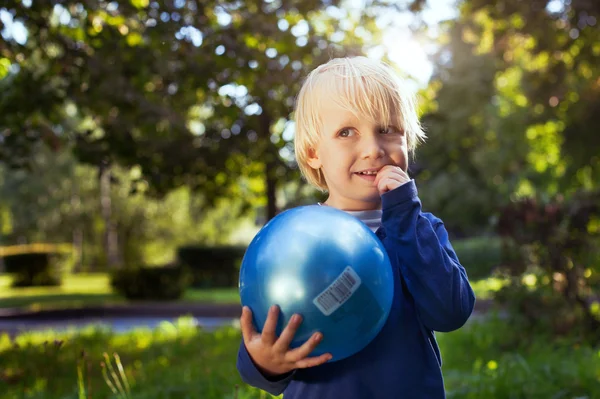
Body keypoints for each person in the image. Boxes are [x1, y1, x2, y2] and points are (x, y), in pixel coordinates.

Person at [236, 56, 476, 398]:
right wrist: (265, 362)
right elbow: (260, 350)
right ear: (313, 152)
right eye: (346, 132)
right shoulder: (293, 244)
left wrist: (405, 217)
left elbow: (451, 311)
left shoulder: (421, 229)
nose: (373, 149)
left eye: (387, 130)